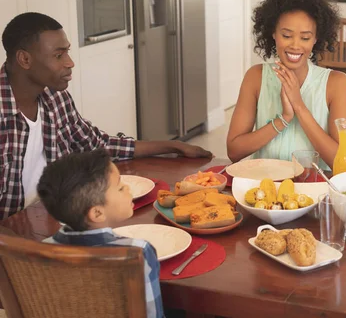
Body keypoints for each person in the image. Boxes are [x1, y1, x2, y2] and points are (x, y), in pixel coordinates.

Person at [0, 12, 211, 219]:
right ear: (25, 59)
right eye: (58, 55)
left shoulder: (55, 98)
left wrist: (174, 146)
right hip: (11, 237)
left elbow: (97, 145)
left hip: (51, 219)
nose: (70, 62)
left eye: (67, 52)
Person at [226, 0, 346, 169]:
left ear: (316, 39)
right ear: (273, 34)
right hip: (265, 187)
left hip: (315, 189)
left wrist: (299, 106)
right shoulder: (255, 77)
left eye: (305, 38)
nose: (295, 45)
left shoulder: (336, 83)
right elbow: (234, 152)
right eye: (286, 35)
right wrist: (283, 118)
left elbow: (341, 162)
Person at [38, 149, 163, 318]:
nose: (127, 188)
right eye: (120, 188)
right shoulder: (138, 251)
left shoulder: (41, 250)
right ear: (97, 213)